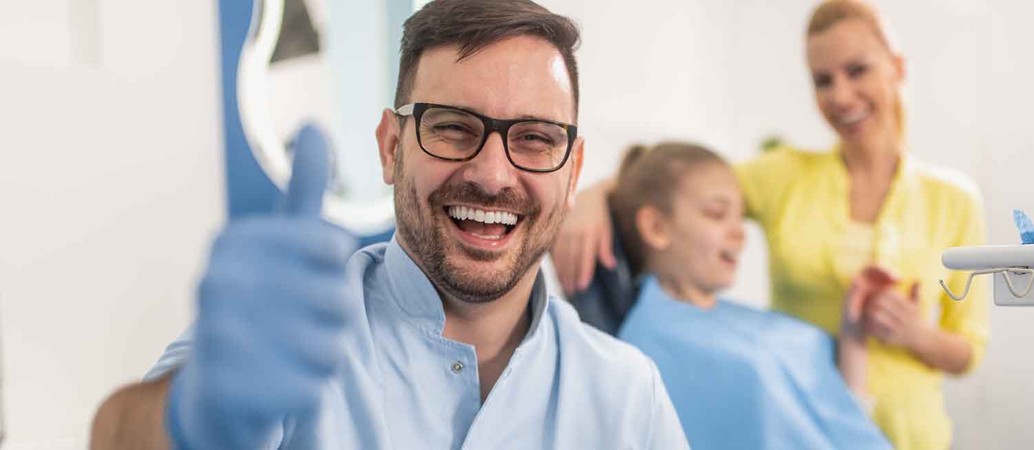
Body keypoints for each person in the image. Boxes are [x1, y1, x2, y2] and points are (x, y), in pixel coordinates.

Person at [89, 1, 689, 448]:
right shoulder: (294, 335)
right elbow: (121, 436)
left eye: (534, 138)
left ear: (573, 169)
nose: (492, 174)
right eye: (452, 127)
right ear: (390, 148)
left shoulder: (627, 396)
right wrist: (194, 414)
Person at [553, 1, 988, 448]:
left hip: (912, 434)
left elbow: (969, 349)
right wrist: (590, 194)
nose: (840, 95)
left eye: (857, 70)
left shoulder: (955, 200)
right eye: (823, 80)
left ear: (897, 67)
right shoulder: (782, 175)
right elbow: (677, 184)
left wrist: (915, 335)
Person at [604, 142, 892, 449]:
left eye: (740, 217)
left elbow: (840, 416)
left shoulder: (737, 323)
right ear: (656, 227)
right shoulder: (650, 347)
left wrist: (854, 334)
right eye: (717, 214)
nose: (739, 232)